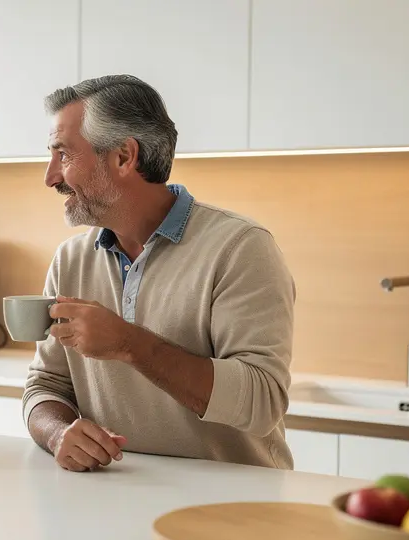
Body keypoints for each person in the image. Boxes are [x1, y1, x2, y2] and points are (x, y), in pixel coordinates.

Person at [22, 75, 296, 472]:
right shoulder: (71, 259)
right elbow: (45, 387)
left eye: (63, 154)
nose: (50, 176)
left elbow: (261, 401)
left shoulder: (240, 248)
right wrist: (58, 433)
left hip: (232, 509)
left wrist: (129, 344)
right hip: (115, 496)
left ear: (123, 157)